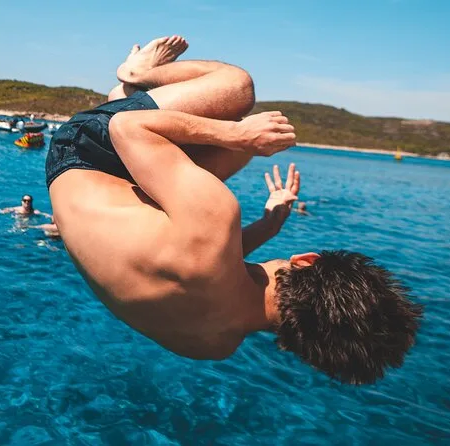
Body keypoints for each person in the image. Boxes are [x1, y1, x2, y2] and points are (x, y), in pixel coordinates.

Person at [47, 36, 422, 384]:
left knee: (238, 93)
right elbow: (200, 268)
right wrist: (269, 225)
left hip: (79, 153)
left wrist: (237, 136)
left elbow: (126, 128)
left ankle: (136, 75)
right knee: (217, 154)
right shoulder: (215, 345)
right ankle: (128, 95)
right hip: (70, 196)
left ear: (308, 260)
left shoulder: (216, 221)